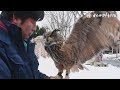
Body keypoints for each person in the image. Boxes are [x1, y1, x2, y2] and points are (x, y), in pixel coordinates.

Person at [0, 11, 52, 79]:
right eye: (32, 22)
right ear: (15, 18)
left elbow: (31, 74)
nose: (35, 28)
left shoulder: (25, 43)